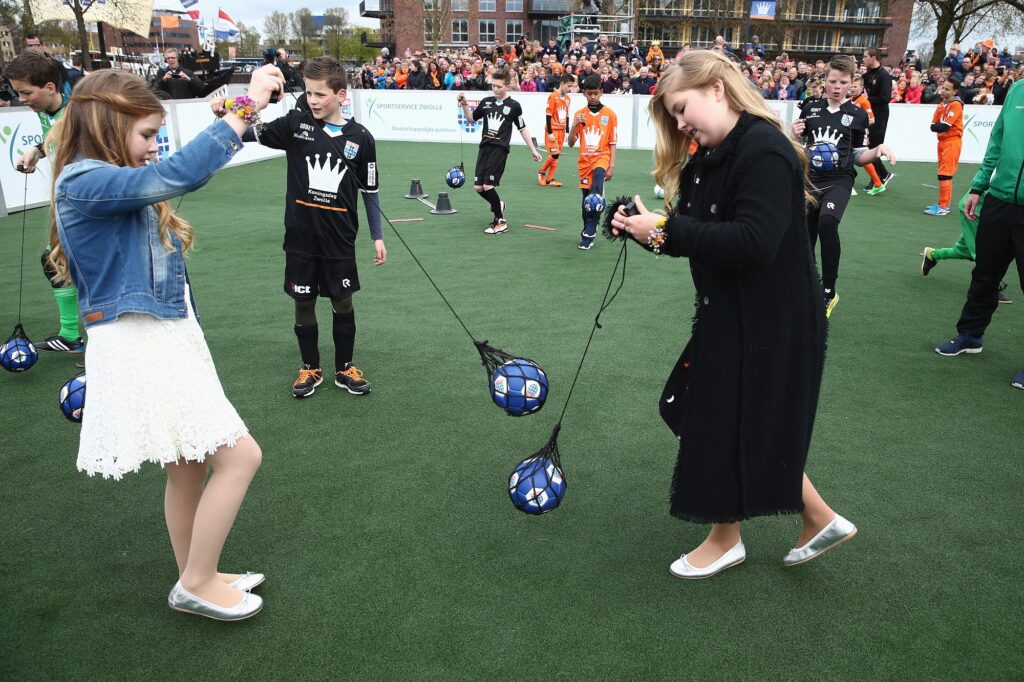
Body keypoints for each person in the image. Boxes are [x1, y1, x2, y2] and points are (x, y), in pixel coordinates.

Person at [608, 51, 857, 579]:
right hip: (733, 314)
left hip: (772, 322)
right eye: (673, 117)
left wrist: (665, 229)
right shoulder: (710, 158)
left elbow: (752, 242)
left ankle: (727, 538)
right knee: (697, 409)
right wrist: (641, 228)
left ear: (717, 89)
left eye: (681, 108)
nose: (680, 124)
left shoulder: (763, 149)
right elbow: (699, 239)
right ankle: (817, 515)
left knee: (721, 419)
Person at [48, 66, 283, 620]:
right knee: (240, 457)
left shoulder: (104, 178)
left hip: (160, 334)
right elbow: (181, 173)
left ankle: (196, 573)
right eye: (147, 135)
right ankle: (197, 581)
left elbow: (170, 176)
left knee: (188, 466)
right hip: (139, 339)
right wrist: (243, 109)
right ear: (107, 126)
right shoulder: (84, 180)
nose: (155, 148)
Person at [214, 57, 386, 398]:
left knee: (343, 303)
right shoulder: (296, 124)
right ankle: (310, 367)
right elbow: (251, 133)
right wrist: (227, 114)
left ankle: (344, 368)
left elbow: (371, 190)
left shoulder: (361, 138)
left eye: (321, 94)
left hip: (339, 241)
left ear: (341, 94)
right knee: (303, 303)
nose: (313, 100)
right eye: (308, 93)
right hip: (300, 239)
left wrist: (377, 236)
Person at [933, 79, 1024, 391]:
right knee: (985, 273)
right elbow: (997, 142)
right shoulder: (1017, 90)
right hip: (999, 200)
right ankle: (970, 336)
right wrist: (978, 186)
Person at [793, 55, 895, 317]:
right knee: (805, 236)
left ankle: (829, 291)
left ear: (853, 84)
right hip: (810, 181)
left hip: (840, 180)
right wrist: (793, 134)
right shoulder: (810, 109)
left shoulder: (858, 115)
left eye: (843, 82)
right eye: (832, 81)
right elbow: (801, 148)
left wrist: (878, 150)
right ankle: (806, 287)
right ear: (824, 80)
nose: (837, 86)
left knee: (828, 222)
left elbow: (859, 157)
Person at [4, 52, 83, 354]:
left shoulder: (80, 112)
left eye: (26, 92)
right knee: (56, 261)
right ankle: (70, 335)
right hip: (66, 198)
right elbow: (52, 140)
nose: (22, 98)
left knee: (88, 269)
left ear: (50, 87)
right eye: (18, 92)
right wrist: (37, 151)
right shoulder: (49, 109)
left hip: (88, 201)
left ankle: (105, 345)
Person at [457, 70, 543, 235]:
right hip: (484, 147)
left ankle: (500, 221)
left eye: (498, 86)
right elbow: (470, 119)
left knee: (488, 185)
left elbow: (523, 128)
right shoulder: (486, 102)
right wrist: (464, 104)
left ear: (507, 86)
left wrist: (533, 150)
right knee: (478, 187)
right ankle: (499, 205)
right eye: (493, 85)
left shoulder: (514, 106)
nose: (495, 89)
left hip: (500, 149)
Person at [567, 73, 616, 250]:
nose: (593, 97)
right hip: (584, 162)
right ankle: (588, 228)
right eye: (589, 93)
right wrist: (574, 126)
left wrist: (611, 165)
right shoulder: (579, 115)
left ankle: (589, 232)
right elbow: (571, 143)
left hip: (601, 159)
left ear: (601, 92)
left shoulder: (610, 115)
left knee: (596, 190)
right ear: (584, 94)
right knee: (586, 201)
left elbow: (612, 142)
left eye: (596, 93)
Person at [924, 77, 963, 216]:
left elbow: (944, 126)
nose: (943, 91)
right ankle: (943, 204)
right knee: (943, 174)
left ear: (955, 91)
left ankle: (943, 206)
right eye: (943, 88)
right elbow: (933, 126)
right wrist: (938, 127)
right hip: (942, 142)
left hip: (952, 142)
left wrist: (939, 126)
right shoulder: (942, 104)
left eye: (947, 89)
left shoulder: (956, 105)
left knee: (944, 175)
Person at [862, 48, 895, 193]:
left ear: (874, 57)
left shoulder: (884, 76)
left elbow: (885, 98)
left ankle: (878, 178)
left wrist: (866, 100)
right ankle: (883, 175)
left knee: (874, 147)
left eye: (865, 57)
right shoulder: (867, 74)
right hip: (869, 115)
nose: (863, 59)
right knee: (869, 147)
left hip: (880, 116)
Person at [538, 72, 574, 187]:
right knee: (554, 154)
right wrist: (549, 132)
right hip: (553, 130)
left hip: (562, 131)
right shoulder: (553, 96)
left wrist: (567, 131)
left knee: (556, 156)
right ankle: (541, 172)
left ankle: (549, 179)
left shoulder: (568, 99)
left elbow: (567, 115)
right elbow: (548, 115)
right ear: (562, 84)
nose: (570, 89)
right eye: (568, 86)